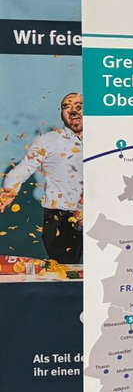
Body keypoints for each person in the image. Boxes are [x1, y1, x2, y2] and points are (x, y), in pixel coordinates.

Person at [0, 92, 84, 264]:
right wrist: (9, 192)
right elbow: (23, 169)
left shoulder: (106, 140)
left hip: (101, 215)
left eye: (79, 106)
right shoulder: (48, 140)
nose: (73, 110)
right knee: (66, 274)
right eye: (67, 107)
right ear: (61, 113)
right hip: (60, 219)